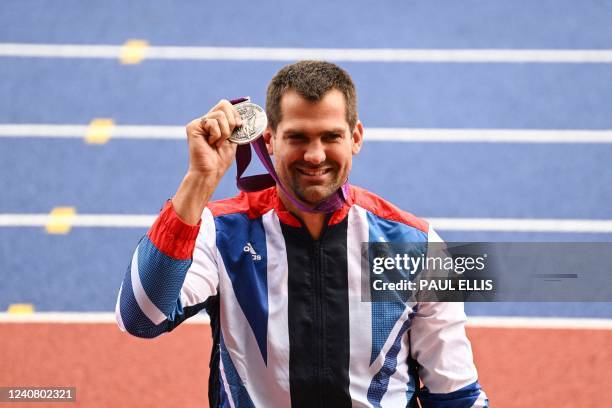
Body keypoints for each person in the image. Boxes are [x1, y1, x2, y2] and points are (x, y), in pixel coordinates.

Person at [116, 61, 489, 407]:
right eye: (297, 138)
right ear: (269, 141)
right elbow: (141, 317)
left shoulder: (415, 245)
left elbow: (454, 394)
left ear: (355, 138)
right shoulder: (222, 232)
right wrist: (199, 181)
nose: (314, 155)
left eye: (331, 136)